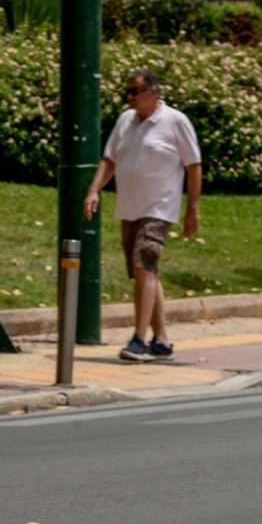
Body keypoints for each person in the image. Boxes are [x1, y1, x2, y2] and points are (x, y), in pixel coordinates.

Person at [83, 68, 202, 363]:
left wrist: (192, 209)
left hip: (159, 209)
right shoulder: (126, 120)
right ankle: (162, 340)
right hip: (130, 207)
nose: (130, 96)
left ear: (153, 92)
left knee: (143, 267)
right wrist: (94, 190)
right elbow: (110, 159)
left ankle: (139, 339)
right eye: (128, 91)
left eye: (135, 91)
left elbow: (194, 165)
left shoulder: (175, 121)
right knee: (146, 271)